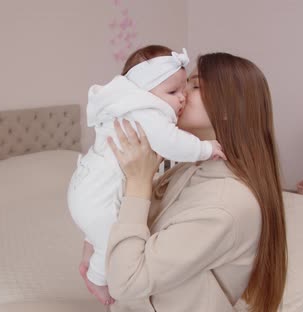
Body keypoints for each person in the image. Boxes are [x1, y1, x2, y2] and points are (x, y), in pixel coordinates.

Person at [100, 52, 288, 312]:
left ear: (228, 107)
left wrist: (138, 183)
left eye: (195, 85)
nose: (181, 93)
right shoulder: (192, 168)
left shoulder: (225, 205)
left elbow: (125, 281)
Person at [67, 45, 226, 305]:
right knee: (110, 241)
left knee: (104, 226)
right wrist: (205, 149)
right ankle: (97, 277)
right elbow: (172, 141)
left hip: (88, 189)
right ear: (144, 92)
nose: (183, 96)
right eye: (174, 91)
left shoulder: (133, 111)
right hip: (94, 197)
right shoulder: (147, 114)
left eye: (186, 87)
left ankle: (90, 248)